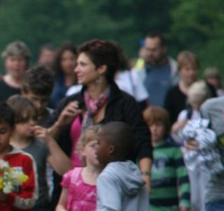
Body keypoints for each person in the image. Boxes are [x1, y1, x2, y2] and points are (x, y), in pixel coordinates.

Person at [49, 39, 152, 186]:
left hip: (114, 185)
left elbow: (143, 143)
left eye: (82, 64)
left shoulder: (125, 103)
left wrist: (145, 177)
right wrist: (59, 125)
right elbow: (45, 141)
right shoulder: (70, 102)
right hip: (72, 187)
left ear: (101, 69)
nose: (76, 69)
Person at [174, 81, 221, 211]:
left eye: (199, 101)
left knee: (206, 197)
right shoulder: (185, 114)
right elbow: (177, 136)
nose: (196, 105)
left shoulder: (212, 113)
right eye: (194, 102)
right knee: (193, 198)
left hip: (209, 163)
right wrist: (179, 132)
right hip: (191, 162)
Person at [134, 32, 177, 108]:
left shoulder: (174, 68)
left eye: (154, 50)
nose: (150, 54)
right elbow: (134, 75)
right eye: (147, 49)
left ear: (164, 49)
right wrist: (140, 60)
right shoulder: (141, 67)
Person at [163, 51, 201, 125]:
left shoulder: (207, 89)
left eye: (194, 69)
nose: (191, 73)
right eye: (187, 69)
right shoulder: (172, 94)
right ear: (180, 71)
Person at [50, 42, 78, 107]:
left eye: (72, 59)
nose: (68, 63)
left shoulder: (83, 82)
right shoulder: (54, 81)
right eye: (64, 59)